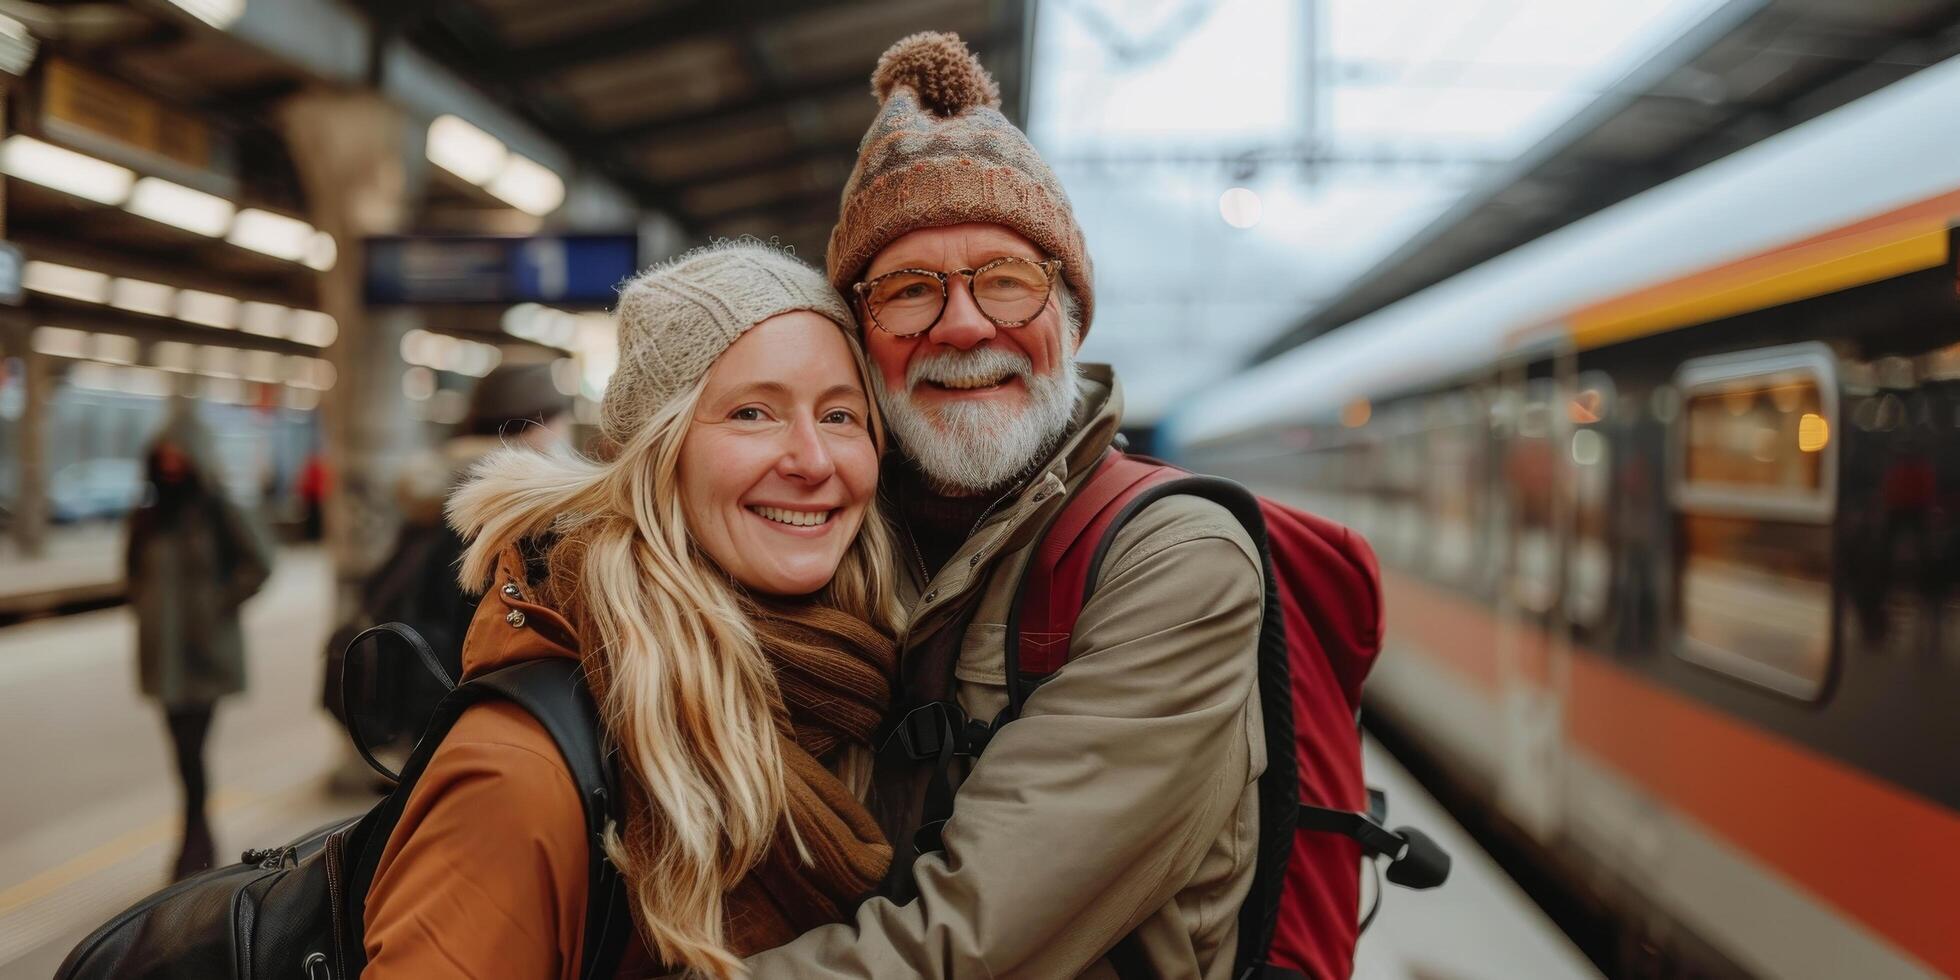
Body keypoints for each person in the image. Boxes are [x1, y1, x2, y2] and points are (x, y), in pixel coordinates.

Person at [744, 32, 1267, 978]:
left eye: (1008, 282)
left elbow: (967, 943)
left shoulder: (1175, 560)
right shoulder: (818, 525)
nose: (964, 325)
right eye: (909, 291)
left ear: (1068, 315)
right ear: (859, 337)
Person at [360, 241, 904, 979]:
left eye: (841, 415)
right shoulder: (518, 773)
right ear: (658, 451)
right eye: (752, 412)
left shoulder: (862, 691)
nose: (813, 459)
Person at [124, 406, 274, 880]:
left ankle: (194, 848)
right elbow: (130, 575)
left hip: (205, 654)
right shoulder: (146, 516)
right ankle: (198, 844)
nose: (170, 466)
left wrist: (216, 604)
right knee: (182, 754)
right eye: (163, 457)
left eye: (179, 457)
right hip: (162, 656)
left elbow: (261, 563)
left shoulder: (218, 509)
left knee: (192, 753)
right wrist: (148, 610)